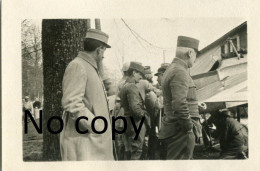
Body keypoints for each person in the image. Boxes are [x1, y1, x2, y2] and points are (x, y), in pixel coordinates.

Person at [60, 29, 114, 160]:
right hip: (85, 142)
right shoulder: (78, 66)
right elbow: (71, 103)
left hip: (92, 141)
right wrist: (96, 125)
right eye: (103, 51)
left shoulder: (88, 66)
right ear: (99, 49)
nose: (103, 56)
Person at [158, 36, 202, 160]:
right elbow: (179, 104)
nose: (195, 59)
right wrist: (188, 128)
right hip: (181, 132)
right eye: (195, 55)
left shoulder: (172, 69)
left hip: (175, 129)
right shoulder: (180, 71)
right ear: (190, 53)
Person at [119, 62, 150, 160]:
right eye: (140, 74)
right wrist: (145, 115)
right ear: (133, 73)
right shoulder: (132, 87)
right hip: (136, 123)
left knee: (129, 151)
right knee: (137, 152)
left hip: (127, 122)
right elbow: (135, 110)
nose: (141, 77)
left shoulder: (124, 86)